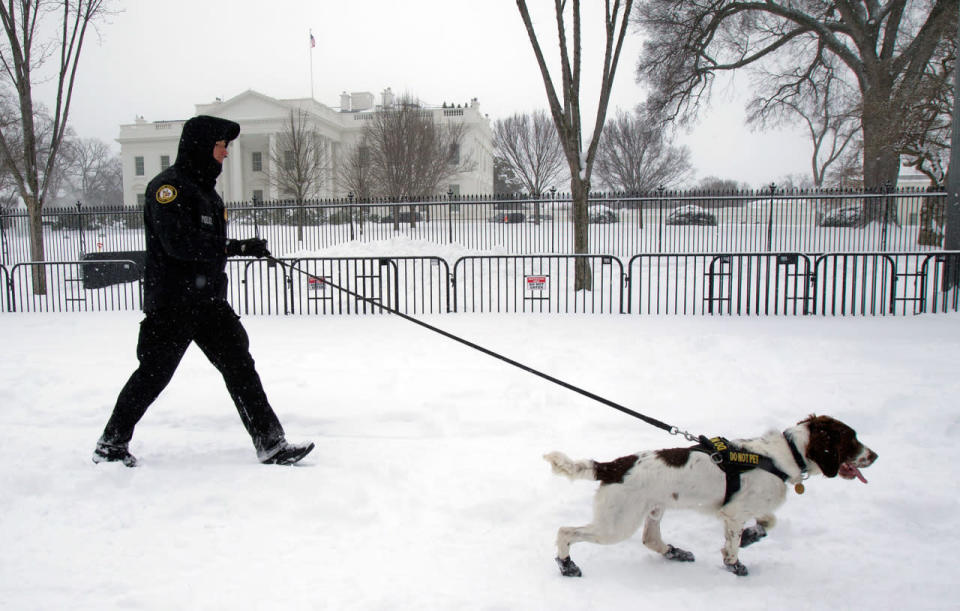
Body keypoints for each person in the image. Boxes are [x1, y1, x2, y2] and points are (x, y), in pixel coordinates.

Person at [92, 115, 314, 467]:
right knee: (153, 375)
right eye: (221, 146)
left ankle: (271, 442)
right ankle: (111, 444)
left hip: (208, 302)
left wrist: (238, 246)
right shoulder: (168, 189)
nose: (225, 154)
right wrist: (231, 247)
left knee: (241, 366)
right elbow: (179, 244)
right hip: (173, 304)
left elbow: (208, 243)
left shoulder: (207, 193)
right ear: (202, 146)